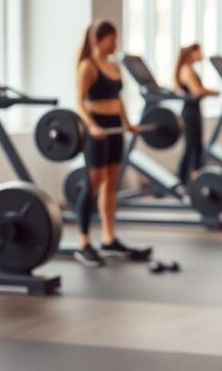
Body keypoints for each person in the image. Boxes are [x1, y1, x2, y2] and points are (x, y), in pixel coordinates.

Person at [74, 20, 149, 267]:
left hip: (116, 129)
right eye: (112, 39)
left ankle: (108, 238)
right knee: (94, 182)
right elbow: (79, 102)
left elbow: (118, 100)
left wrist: (128, 124)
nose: (116, 43)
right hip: (97, 128)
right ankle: (83, 243)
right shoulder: (88, 66)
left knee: (111, 183)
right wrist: (92, 126)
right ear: (99, 39)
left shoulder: (114, 66)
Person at [173, 44, 219, 186]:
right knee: (191, 148)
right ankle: (183, 182)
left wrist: (208, 91)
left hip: (195, 110)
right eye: (199, 52)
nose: (201, 55)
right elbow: (197, 91)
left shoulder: (190, 69)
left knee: (197, 147)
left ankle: (196, 181)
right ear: (192, 53)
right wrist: (212, 92)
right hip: (189, 112)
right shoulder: (186, 70)